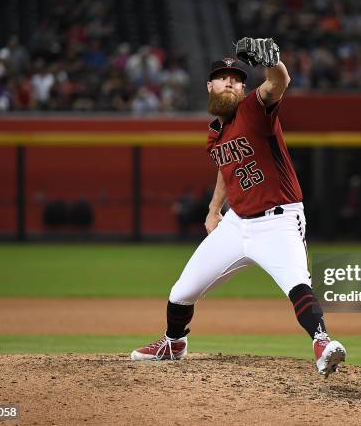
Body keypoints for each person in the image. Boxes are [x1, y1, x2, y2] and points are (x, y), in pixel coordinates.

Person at [131, 38, 346, 377]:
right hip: (235, 224)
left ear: (243, 87)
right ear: (209, 85)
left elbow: (279, 82)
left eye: (237, 78)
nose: (230, 81)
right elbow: (226, 166)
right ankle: (174, 343)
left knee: (297, 284)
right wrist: (214, 209)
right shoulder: (215, 132)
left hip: (279, 221)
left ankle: (322, 343)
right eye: (222, 77)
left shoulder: (253, 109)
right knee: (181, 293)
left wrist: (271, 61)